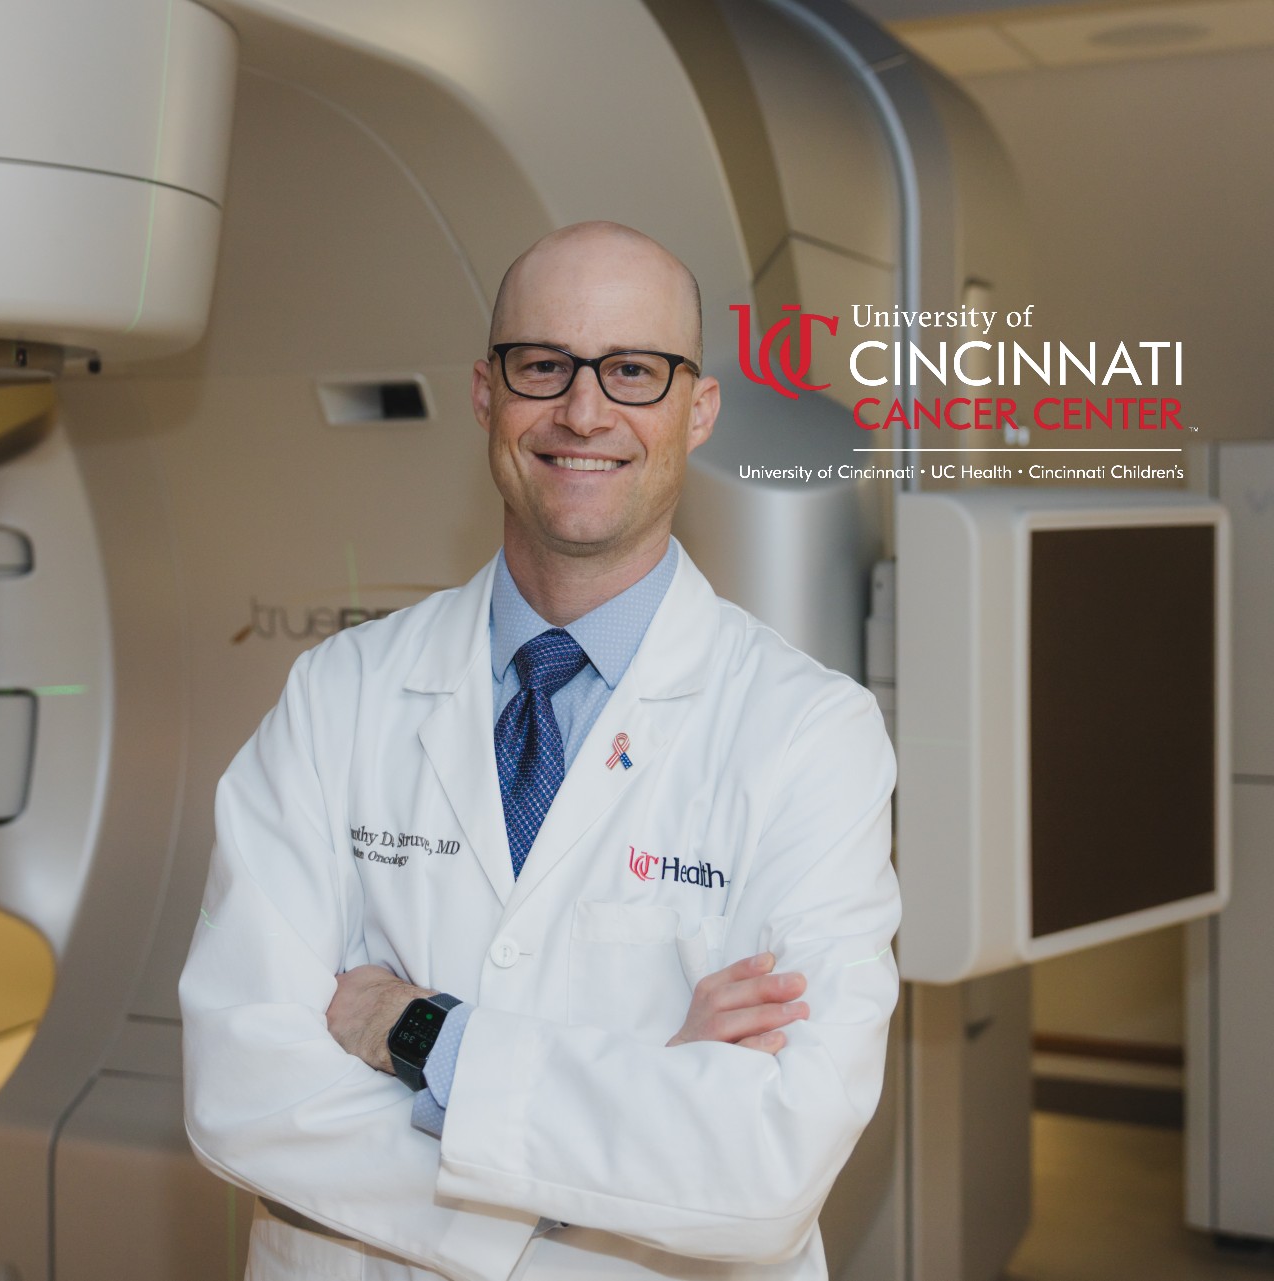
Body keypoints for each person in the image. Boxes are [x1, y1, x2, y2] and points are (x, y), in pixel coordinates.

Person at [178, 221, 900, 1280]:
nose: (583, 409)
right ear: (486, 393)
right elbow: (241, 1093)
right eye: (542, 365)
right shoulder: (341, 694)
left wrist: (419, 1033)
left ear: (698, 410)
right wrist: (635, 1114)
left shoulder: (807, 733)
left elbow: (766, 1170)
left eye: (634, 371)